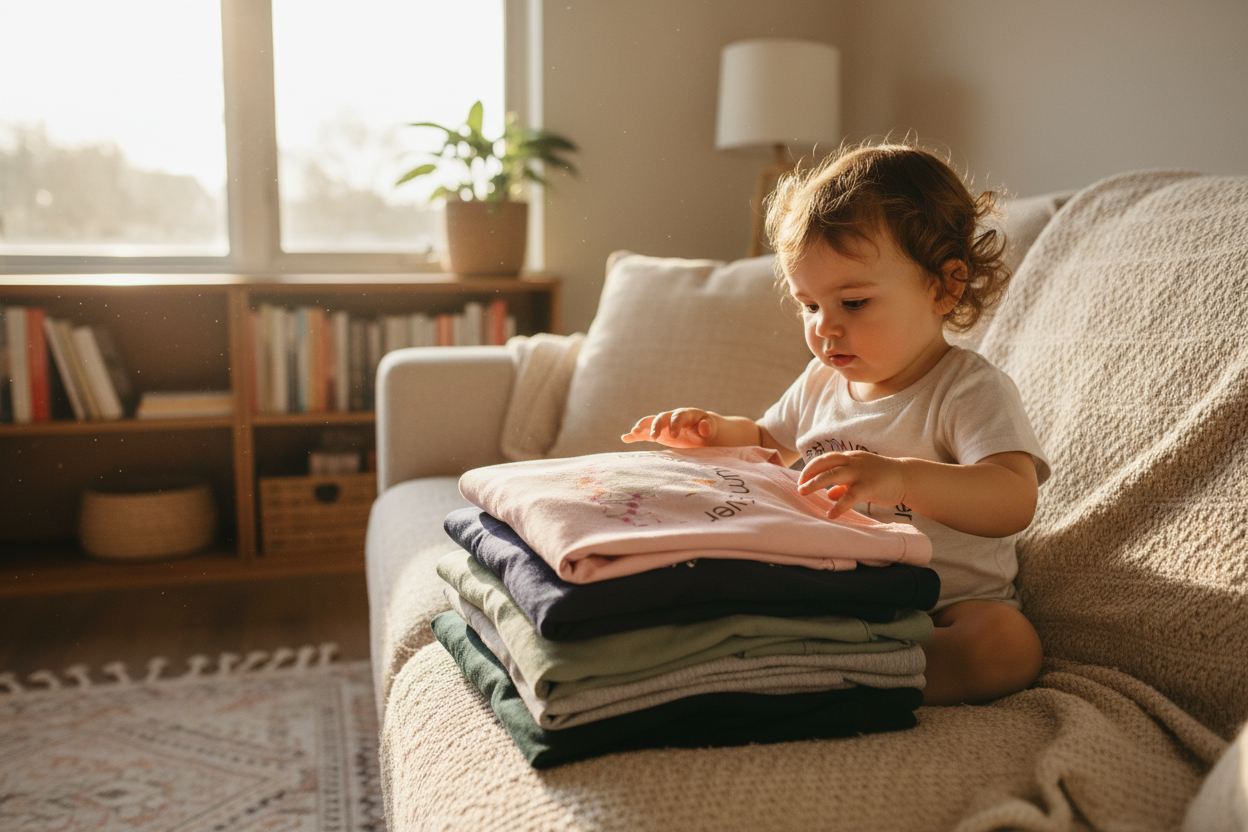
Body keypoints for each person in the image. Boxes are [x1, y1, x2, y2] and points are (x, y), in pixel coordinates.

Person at [621, 142, 1050, 706]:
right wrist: (710, 432)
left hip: (950, 603)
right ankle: (819, 665)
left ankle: (857, 681)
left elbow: (1012, 498)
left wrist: (901, 479)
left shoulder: (967, 388)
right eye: (809, 306)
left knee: (1006, 646)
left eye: (853, 303)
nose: (825, 328)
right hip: (843, 591)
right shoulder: (820, 383)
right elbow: (763, 442)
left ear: (945, 286)